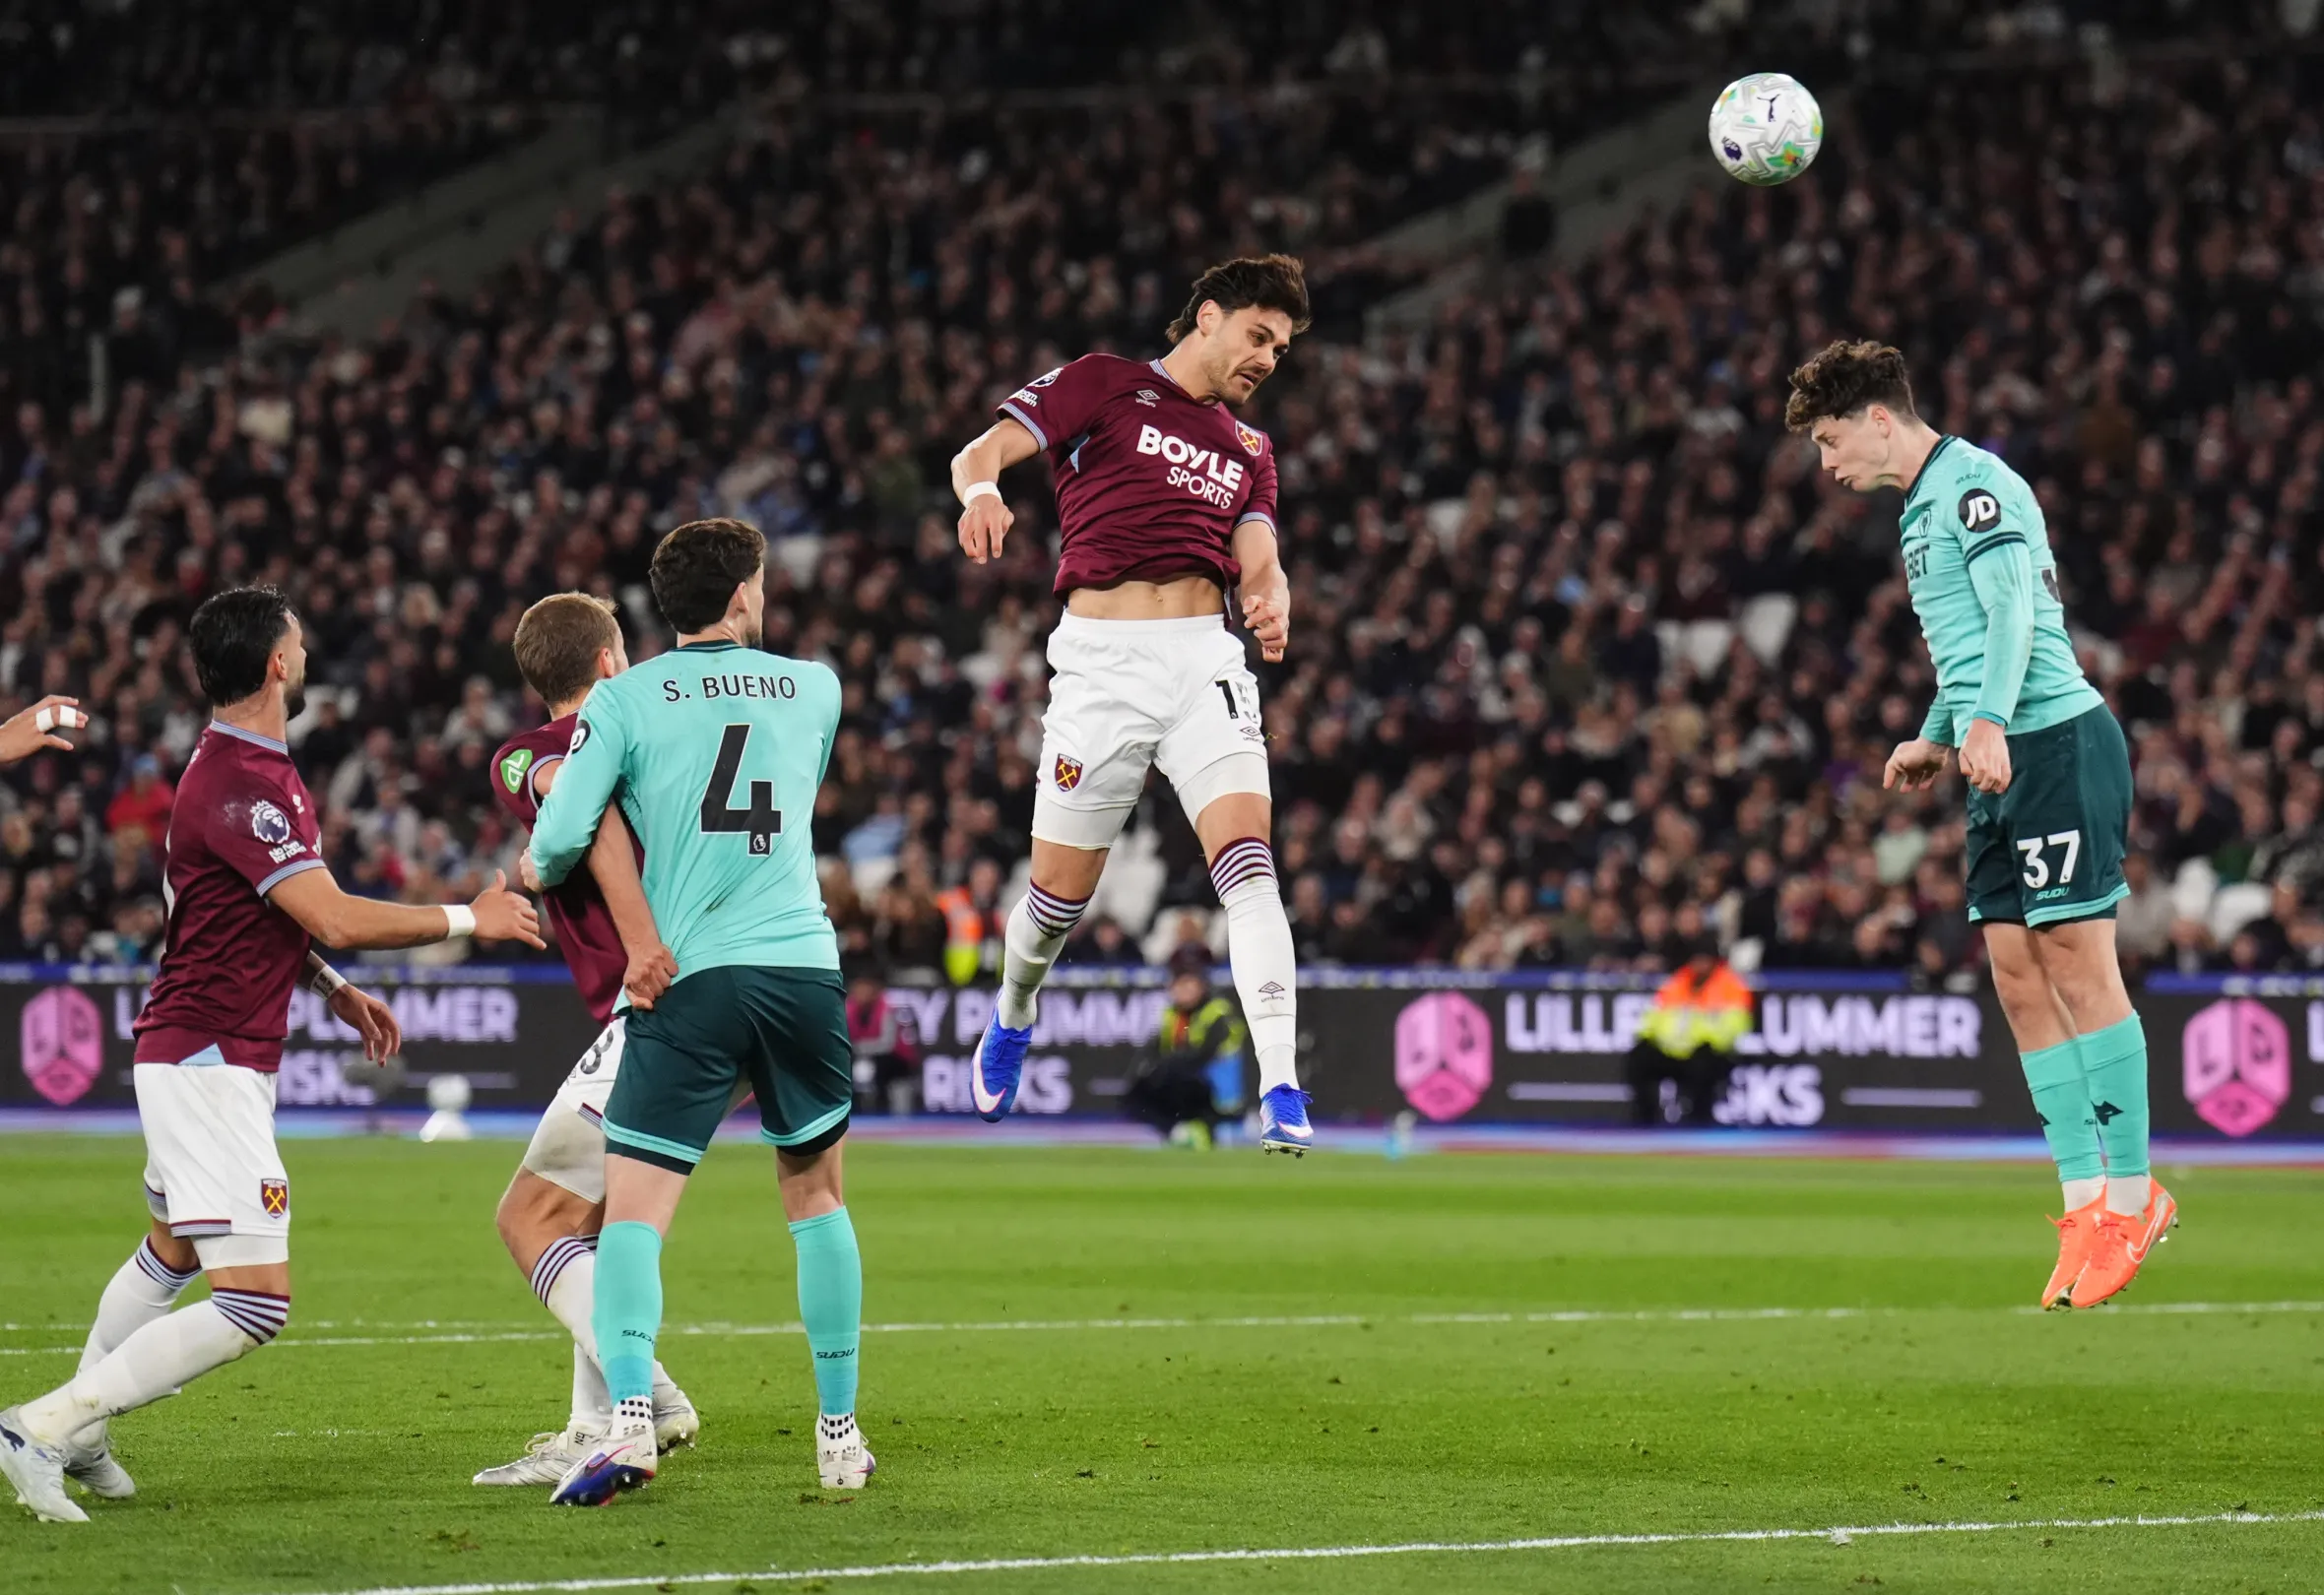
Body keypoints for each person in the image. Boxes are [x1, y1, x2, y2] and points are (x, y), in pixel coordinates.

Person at [0, 586, 542, 1524]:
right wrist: (471, 916)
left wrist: (330, 987)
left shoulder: (245, 769)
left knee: (170, 1251)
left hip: (200, 1050)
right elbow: (327, 910)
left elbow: (260, 917)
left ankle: (78, 1438)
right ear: (276, 665)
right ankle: (42, 1426)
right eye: (295, 634)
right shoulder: (243, 784)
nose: (304, 642)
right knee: (255, 1304)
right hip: (208, 1059)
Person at [1787, 340, 2173, 1309]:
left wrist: (1988, 722)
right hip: (1992, 750)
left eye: (1829, 440)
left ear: (1879, 418)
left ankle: (2133, 1198)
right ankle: (2082, 1203)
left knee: (2078, 964)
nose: (1824, 463)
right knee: (2013, 971)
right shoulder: (1917, 508)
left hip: (2051, 741)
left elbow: (2010, 615)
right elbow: (1963, 649)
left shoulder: (1973, 486)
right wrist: (1935, 731)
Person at [523, 519, 869, 1505]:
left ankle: (630, 1424)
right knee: (816, 1198)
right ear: (746, 594)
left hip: (692, 976)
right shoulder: (817, 686)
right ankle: (838, 1438)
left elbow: (559, 842)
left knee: (634, 1216)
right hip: (802, 967)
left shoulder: (625, 700)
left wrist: (534, 867)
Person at [949, 254, 1314, 1154]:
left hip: (1202, 661)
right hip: (1101, 665)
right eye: (1259, 335)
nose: (1269, 356)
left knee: (1250, 865)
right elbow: (979, 450)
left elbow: (1258, 551)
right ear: (1208, 318)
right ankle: (1013, 1012)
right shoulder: (1104, 384)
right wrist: (986, 491)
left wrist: (1271, 595)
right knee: (1055, 901)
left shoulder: (1251, 449)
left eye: (1284, 346)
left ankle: (1282, 1085)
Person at [471, 593, 700, 1487]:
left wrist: (539, 859)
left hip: (652, 1007)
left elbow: (559, 792)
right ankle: (590, 1420)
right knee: (591, 1224)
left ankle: (652, 1399)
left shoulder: (525, 754)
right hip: (715, 991)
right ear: (610, 663)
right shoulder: (652, 733)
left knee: (527, 1216)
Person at [1125, 944, 1249, 1146]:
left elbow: (1205, 1054)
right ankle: (1176, 1131)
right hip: (1182, 1080)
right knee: (1136, 1092)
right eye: (1179, 986)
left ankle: (1204, 1127)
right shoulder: (1172, 1014)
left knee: (1173, 1076)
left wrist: (1166, 1066)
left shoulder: (1218, 1012)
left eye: (1189, 984)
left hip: (1216, 1085)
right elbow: (1152, 1049)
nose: (1184, 991)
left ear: (1201, 986)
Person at [1625, 940, 1752, 1126]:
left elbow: (1737, 1024)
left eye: (1704, 959)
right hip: (1672, 1051)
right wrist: (1647, 1038)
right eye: (1696, 959)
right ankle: (1645, 1120)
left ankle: (1698, 1121)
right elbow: (1654, 1017)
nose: (1700, 965)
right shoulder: (1677, 982)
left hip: (1708, 1051)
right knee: (1639, 1057)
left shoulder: (1730, 985)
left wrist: (1707, 1041)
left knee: (1704, 1063)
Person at [845, 958, 922, 1116]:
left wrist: (860, 1048)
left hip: (892, 1057)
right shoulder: (848, 1009)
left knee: (881, 1066)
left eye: (865, 988)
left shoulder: (886, 1009)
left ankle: (881, 1109)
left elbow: (887, 1043)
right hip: (862, 1055)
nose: (860, 992)